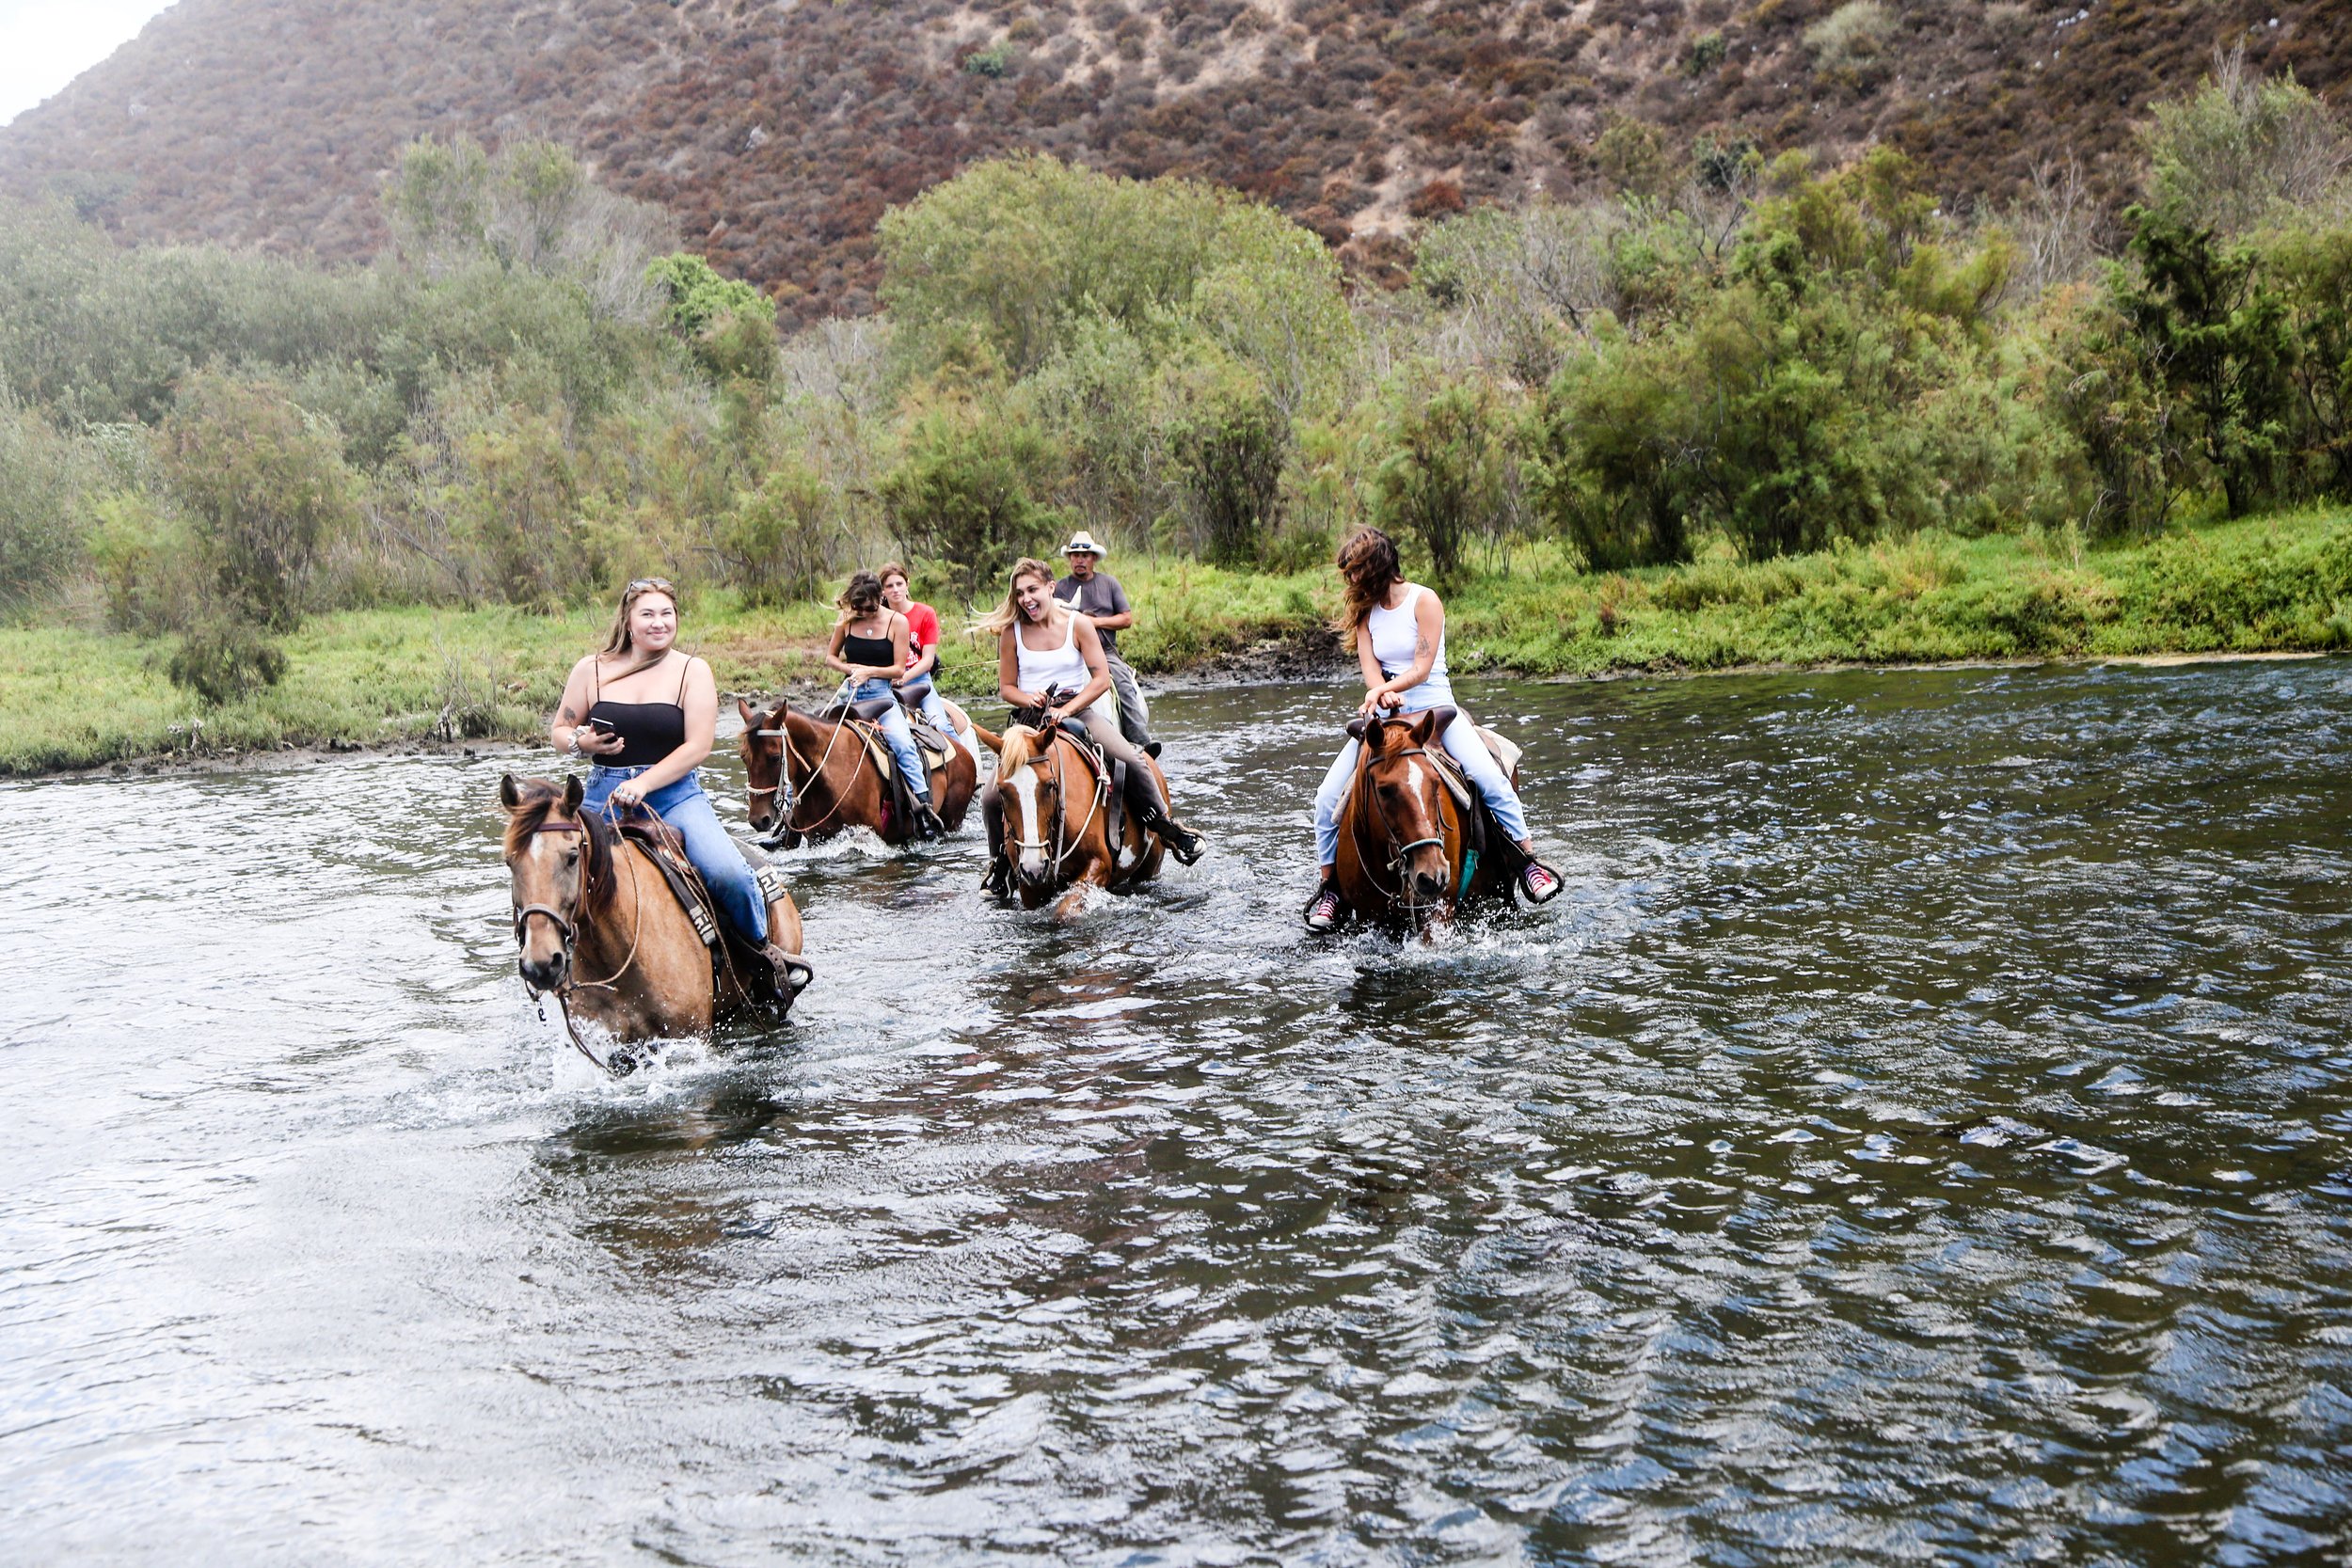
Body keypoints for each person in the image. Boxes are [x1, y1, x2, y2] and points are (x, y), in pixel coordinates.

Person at [551, 578, 804, 990]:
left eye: (666, 614)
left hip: (675, 795)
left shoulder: (692, 671)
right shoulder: (591, 669)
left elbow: (698, 746)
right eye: (647, 614)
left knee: (729, 875)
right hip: (602, 790)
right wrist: (581, 741)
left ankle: (762, 958)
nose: (658, 623)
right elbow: (559, 732)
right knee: (549, 871)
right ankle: (551, 969)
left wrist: (646, 783)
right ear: (628, 621)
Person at [1305, 529, 1560, 929]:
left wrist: (1388, 689)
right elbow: (1372, 673)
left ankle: (1527, 863)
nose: (1350, 581)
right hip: (1388, 720)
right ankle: (1331, 888)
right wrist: (1379, 694)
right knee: (1325, 799)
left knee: (1489, 779)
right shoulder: (1365, 616)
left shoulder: (1425, 601)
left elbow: (1422, 668)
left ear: (1374, 566)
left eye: (1354, 572)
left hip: (1437, 712)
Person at [975, 556, 1203, 896]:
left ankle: (1167, 829)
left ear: (1051, 588)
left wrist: (1067, 708)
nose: (1026, 599)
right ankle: (1000, 866)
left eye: (1033, 589)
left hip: (1080, 711)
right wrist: (1028, 699)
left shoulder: (1079, 625)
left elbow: (1101, 679)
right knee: (993, 794)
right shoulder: (1012, 633)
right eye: (1020, 593)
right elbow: (1006, 687)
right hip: (1031, 721)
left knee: (1130, 758)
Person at [824, 569, 946, 841]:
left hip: (881, 696)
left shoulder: (897, 622)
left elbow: (898, 669)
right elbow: (830, 658)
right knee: (814, 738)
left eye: (869, 608)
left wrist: (869, 671)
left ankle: (924, 810)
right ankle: (789, 819)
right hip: (850, 692)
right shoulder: (846, 619)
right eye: (859, 608)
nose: (864, 614)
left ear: (879, 599)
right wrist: (848, 668)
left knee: (902, 743)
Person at [1051, 531, 1160, 757]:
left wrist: (1093, 623)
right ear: (1070, 559)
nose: (1079, 559)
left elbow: (1126, 618)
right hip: (1069, 652)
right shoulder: (1060, 588)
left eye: (1085, 555)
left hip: (1104, 652)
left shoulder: (1109, 584)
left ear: (1094, 558)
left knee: (1121, 681)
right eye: (1075, 555)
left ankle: (1141, 740)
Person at [877, 562, 979, 759]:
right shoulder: (877, 618)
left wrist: (904, 677)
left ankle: (964, 766)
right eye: (889, 586)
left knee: (939, 724)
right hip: (885, 682)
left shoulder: (925, 613)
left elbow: (928, 660)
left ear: (907, 585)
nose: (895, 590)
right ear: (882, 591)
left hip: (918, 681)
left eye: (899, 584)